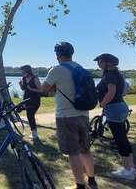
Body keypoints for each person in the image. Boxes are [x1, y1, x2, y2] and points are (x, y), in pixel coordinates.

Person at [42, 42, 98, 189]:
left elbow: (44, 89)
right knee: (85, 150)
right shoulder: (80, 68)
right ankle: (92, 181)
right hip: (84, 114)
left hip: (66, 116)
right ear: (72, 53)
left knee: (73, 153)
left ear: (57, 55)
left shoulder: (56, 70)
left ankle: (80, 185)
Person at [94, 53, 136, 180]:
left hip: (114, 108)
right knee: (123, 137)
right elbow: (123, 90)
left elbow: (111, 92)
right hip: (120, 106)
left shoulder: (110, 75)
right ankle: (131, 167)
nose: (98, 63)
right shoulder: (116, 74)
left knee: (119, 139)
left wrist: (102, 103)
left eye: (100, 61)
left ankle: (127, 170)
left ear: (108, 63)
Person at [19, 65, 43, 140]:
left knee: (30, 115)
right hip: (26, 100)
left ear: (28, 71)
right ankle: (34, 133)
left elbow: (41, 90)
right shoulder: (24, 78)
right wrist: (20, 85)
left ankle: (34, 133)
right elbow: (24, 89)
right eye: (22, 72)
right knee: (29, 115)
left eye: (23, 71)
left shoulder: (34, 78)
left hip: (35, 100)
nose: (22, 73)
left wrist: (32, 89)